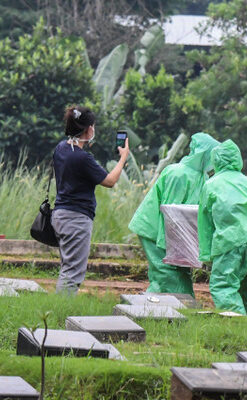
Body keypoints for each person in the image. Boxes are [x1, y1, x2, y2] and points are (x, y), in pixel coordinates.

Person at [128, 133, 220, 296]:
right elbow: (169, 214)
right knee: (166, 273)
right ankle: (159, 308)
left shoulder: (202, 177)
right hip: (155, 232)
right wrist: (170, 246)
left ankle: (157, 307)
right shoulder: (178, 173)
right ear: (203, 154)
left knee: (176, 273)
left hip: (174, 237)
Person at [52, 105, 130, 295]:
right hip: (76, 220)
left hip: (60, 216)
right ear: (88, 129)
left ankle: (59, 310)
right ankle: (60, 314)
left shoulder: (61, 148)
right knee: (72, 273)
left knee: (67, 268)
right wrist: (123, 159)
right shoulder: (82, 158)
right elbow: (110, 181)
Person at [198, 140, 247, 316]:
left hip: (232, 239)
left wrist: (207, 255)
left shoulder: (211, 184)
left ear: (215, 161)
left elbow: (206, 224)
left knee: (223, 284)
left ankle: (237, 319)